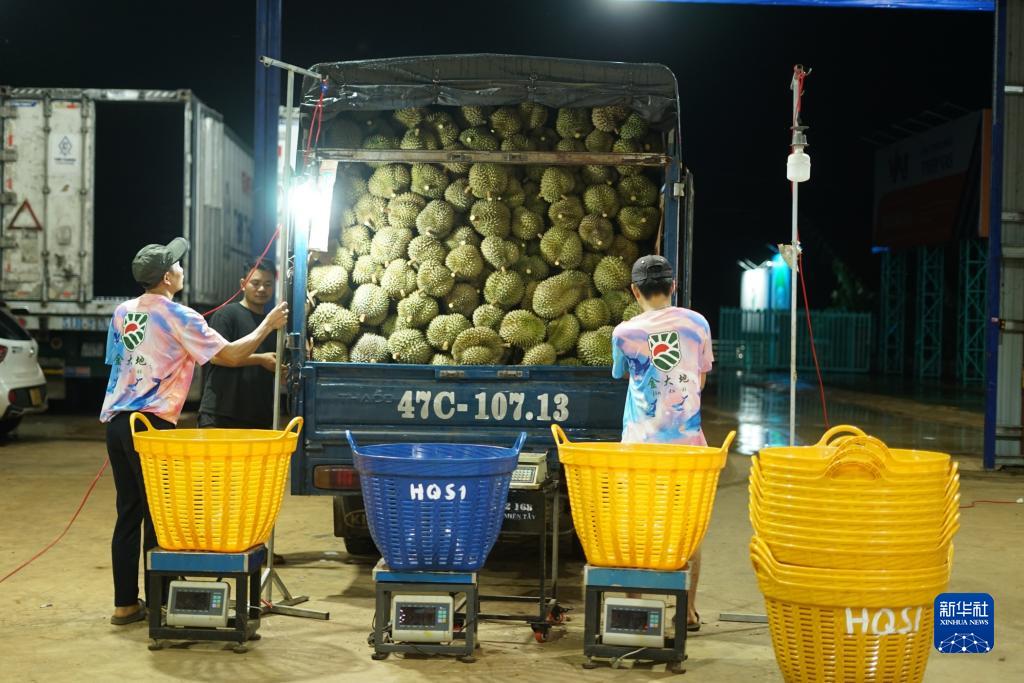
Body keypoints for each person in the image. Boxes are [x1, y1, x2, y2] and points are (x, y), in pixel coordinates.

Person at [101, 238, 288, 625]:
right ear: (168, 277)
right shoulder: (179, 315)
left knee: (128, 512)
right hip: (151, 427)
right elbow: (230, 355)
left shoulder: (122, 312)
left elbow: (120, 362)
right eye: (177, 264)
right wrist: (268, 325)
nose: (182, 268)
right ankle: (162, 603)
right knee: (159, 516)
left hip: (117, 423)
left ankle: (125, 604)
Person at [611, 254, 714, 633]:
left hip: (640, 447)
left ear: (634, 291)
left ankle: (636, 607)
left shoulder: (624, 333)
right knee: (689, 527)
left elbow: (623, 375)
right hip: (688, 447)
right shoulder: (697, 323)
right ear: (673, 286)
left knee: (638, 525)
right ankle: (687, 612)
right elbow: (700, 378)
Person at [198, 260, 279, 430]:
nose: (262, 289)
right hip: (220, 414)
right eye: (255, 283)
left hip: (259, 418)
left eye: (268, 284)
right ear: (243, 284)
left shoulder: (274, 325)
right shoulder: (226, 315)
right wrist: (261, 359)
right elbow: (216, 357)